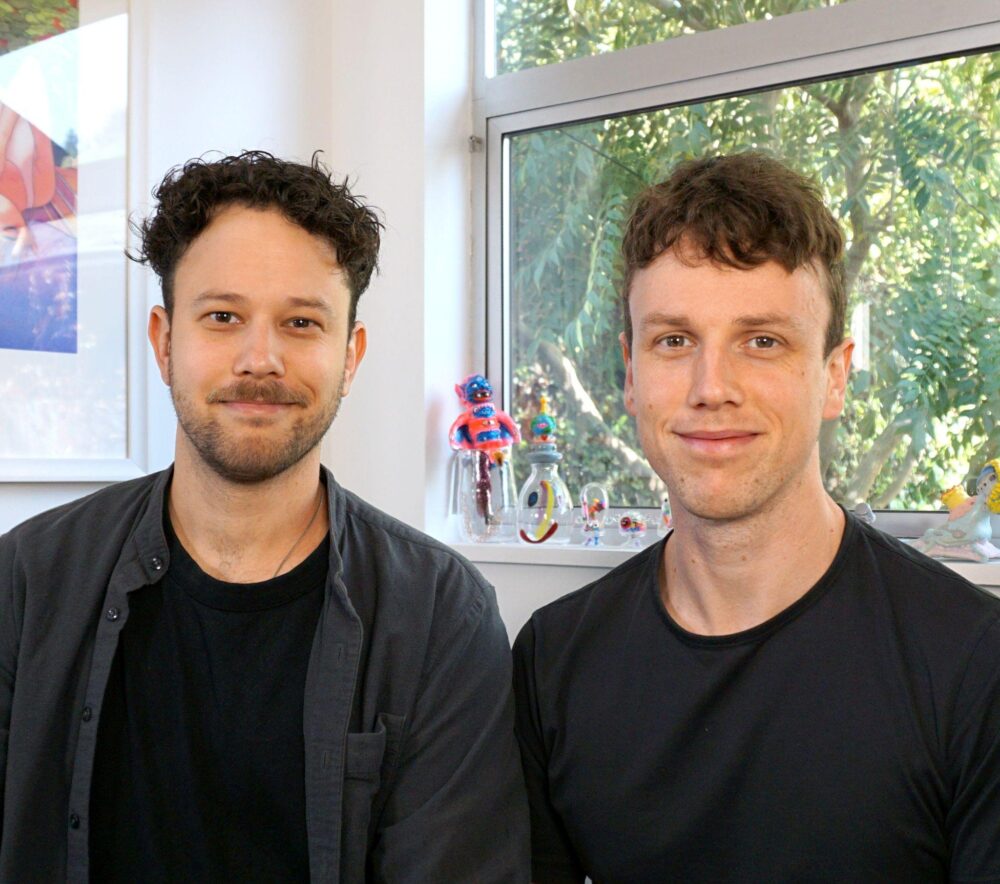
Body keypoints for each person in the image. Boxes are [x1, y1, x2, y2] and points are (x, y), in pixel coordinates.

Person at [0, 151, 529, 882]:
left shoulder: (440, 614)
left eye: (302, 322)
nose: (260, 358)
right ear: (164, 341)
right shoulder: (27, 580)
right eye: (223, 316)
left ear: (351, 356)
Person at [513, 153, 1000, 882]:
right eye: (674, 341)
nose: (713, 387)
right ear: (630, 374)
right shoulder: (554, 660)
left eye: (762, 341)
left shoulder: (972, 665)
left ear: (834, 376)